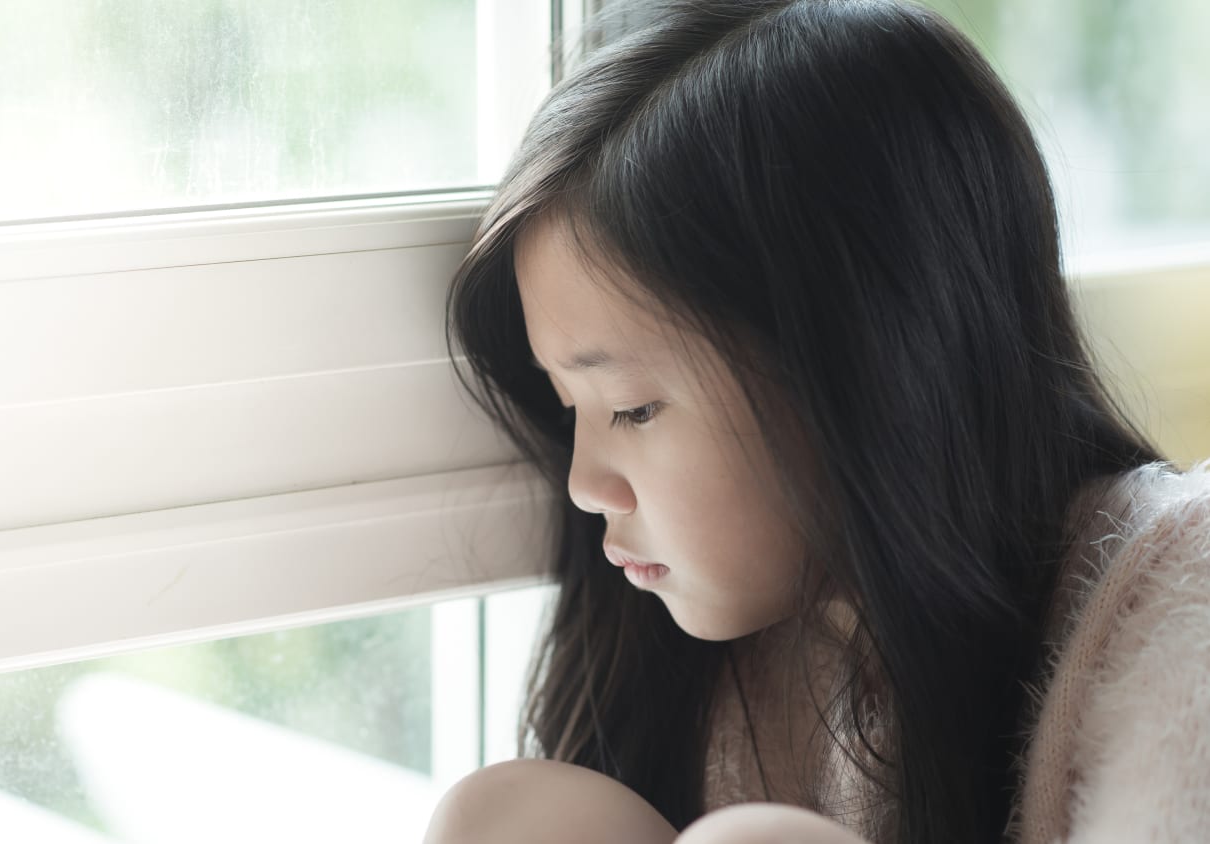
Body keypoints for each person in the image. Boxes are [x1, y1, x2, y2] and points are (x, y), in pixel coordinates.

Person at [422, 1, 1210, 842]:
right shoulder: (728, 647)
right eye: (570, 408)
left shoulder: (1176, 605)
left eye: (633, 408)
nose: (583, 486)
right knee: (509, 819)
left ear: (869, 366)